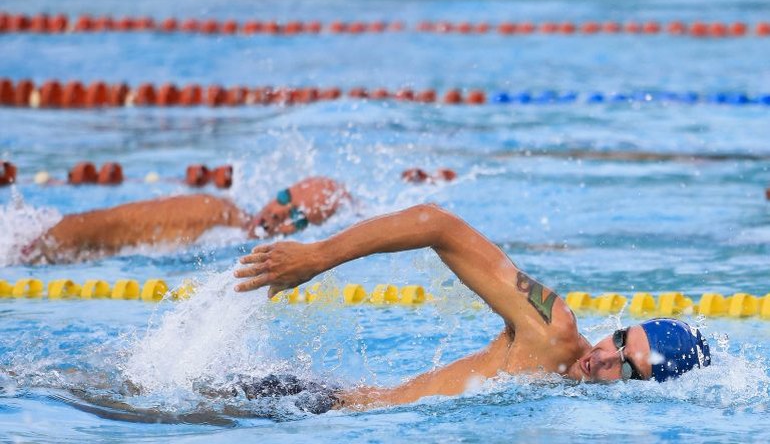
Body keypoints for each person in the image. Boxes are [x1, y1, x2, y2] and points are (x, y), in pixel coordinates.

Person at [233, 204, 711, 411]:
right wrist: (318, 257)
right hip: (311, 406)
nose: (606, 357)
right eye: (622, 341)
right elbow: (437, 224)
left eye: (626, 371)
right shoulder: (552, 328)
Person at [21, 176, 349, 264]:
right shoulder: (215, 211)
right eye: (283, 197)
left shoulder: (227, 232)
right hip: (35, 246)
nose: (279, 211)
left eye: (296, 216)